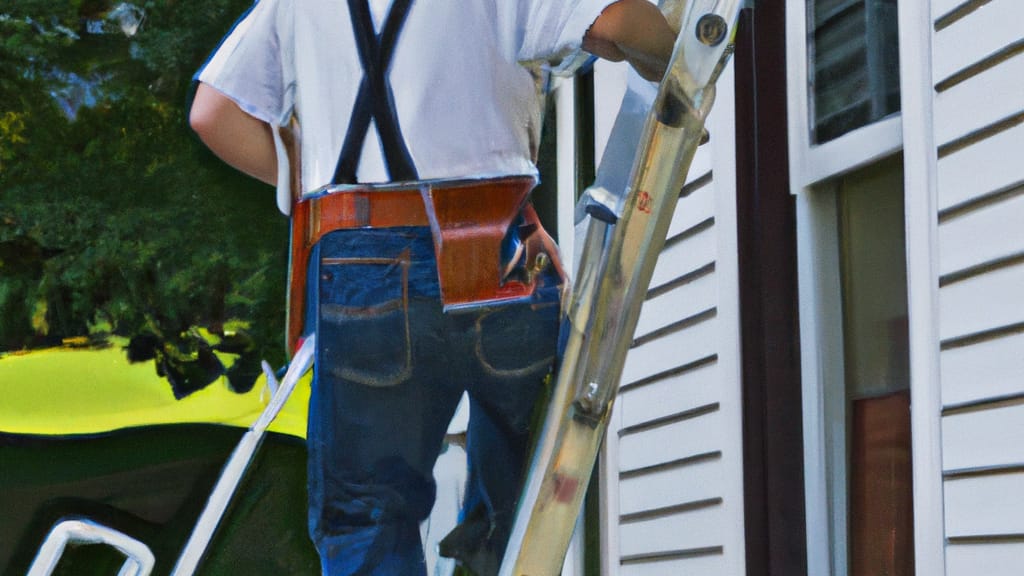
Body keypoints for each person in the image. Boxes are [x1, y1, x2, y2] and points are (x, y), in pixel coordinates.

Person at [190, 0, 675, 573]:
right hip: (498, 255)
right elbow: (619, 23)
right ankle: (489, 540)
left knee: (368, 519)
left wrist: (326, 177)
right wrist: (676, 55)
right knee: (520, 516)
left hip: (359, 264)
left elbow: (212, 113)